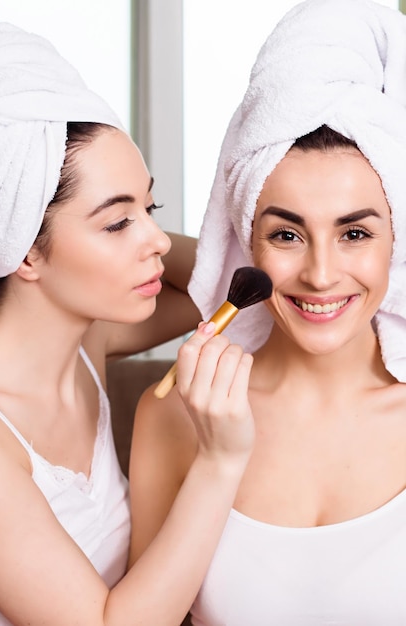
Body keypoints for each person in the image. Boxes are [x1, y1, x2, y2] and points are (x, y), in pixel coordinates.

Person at [0, 22, 256, 626]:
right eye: (117, 224)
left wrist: (130, 224)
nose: (155, 243)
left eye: (152, 207)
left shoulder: (91, 340)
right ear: (26, 251)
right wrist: (219, 462)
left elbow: (235, 282)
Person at [128, 0, 406, 623]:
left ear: (399, 240)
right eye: (286, 235)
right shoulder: (172, 415)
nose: (322, 274)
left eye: (355, 234)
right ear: (244, 240)